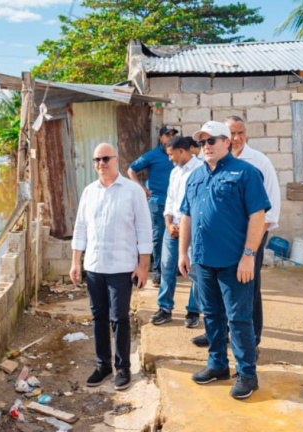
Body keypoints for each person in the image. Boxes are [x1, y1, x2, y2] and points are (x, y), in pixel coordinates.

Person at [178, 121, 271, 400]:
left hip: (234, 262)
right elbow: (187, 216)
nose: (205, 147)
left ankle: (246, 374)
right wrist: (183, 252)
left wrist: (249, 256)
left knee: (239, 319)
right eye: (201, 142)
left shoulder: (246, 173)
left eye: (211, 141)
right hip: (204, 261)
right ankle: (217, 365)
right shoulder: (194, 177)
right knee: (213, 316)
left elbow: (258, 217)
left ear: (226, 142)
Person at [190, 116, 282, 353]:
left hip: (251, 239)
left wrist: (249, 250)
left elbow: (266, 211)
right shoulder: (207, 165)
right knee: (216, 293)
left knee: (248, 291)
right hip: (218, 244)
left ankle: (252, 339)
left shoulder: (258, 163)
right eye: (232, 133)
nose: (237, 138)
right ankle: (220, 334)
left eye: (241, 133)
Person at [71, 143, 152, 391]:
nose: (101, 164)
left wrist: (143, 265)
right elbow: (80, 228)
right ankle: (102, 365)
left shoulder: (132, 191)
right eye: (96, 160)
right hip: (95, 266)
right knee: (98, 318)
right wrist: (76, 261)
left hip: (121, 267)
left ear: (116, 159)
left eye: (106, 158)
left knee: (120, 318)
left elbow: (144, 229)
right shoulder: (89, 192)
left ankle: (123, 368)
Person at [150, 136, 203, 327]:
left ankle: (193, 311)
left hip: (194, 229)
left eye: (171, 155)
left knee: (194, 270)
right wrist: (168, 223)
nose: (170, 159)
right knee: (167, 267)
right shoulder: (175, 173)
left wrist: (185, 225)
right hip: (172, 228)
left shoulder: (200, 170)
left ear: (182, 151)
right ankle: (165, 308)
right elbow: (170, 201)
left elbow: (200, 204)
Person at [128, 126, 176, 286]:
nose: (170, 137)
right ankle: (158, 272)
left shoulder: (178, 154)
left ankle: (171, 268)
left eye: (173, 135)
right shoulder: (153, 155)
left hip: (176, 204)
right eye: (167, 135)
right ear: (161, 138)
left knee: (175, 234)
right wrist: (141, 188)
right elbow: (131, 170)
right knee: (159, 235)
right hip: (158, 202)